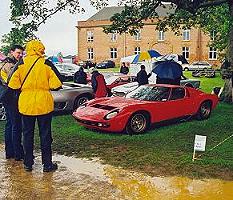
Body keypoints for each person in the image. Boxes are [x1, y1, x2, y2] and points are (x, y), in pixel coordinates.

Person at [8, 40, 62, 172]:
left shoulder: (21, 63)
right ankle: (47, 164)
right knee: (45, 135)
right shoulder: (46, 63)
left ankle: (28, 163)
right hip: (44, 104)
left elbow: (12, 84)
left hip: (26, 104)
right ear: (41, 49)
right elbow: (57, 84)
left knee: (27, 134)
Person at [0, 45, 24, 161]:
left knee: (10, 124)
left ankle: (10, 152)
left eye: (21, 53)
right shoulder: (9, 65)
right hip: (11, 97)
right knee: (15, 124)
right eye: (18, 53)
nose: (20, 55)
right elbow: (12, 81)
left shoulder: (7, 62)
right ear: (11, 52)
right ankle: (17, 153)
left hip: (7, 97)